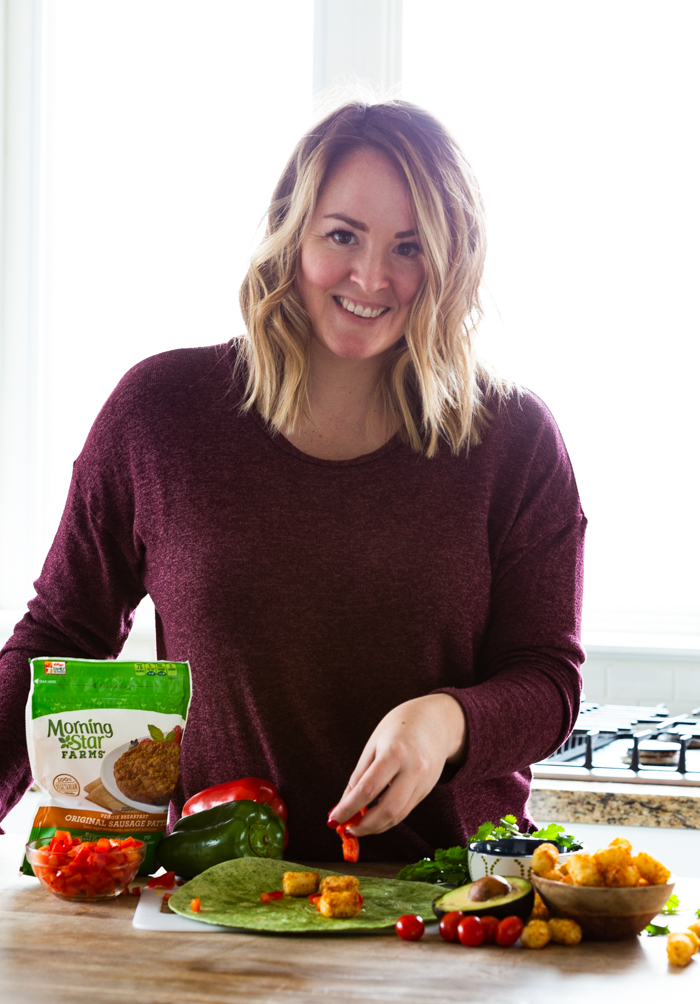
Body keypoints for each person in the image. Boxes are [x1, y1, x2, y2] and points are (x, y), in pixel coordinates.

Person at [0, 101, 585, 860]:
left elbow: (549, 682)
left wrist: (448, 721)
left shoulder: (514, 440)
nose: (372, 277)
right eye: (343, 235)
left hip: (451, 911)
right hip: (214, 899)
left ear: (450, 262)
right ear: (292, 232)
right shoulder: (160, 413)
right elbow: (60, 636)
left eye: (409, 248)